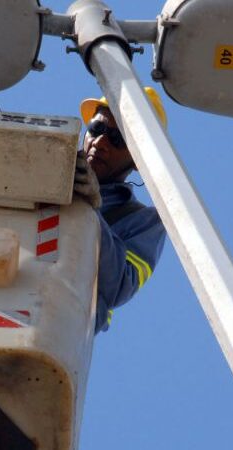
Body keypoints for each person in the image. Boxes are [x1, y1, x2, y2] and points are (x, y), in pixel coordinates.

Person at [73, 87, 168, 333]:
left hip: (63, 327)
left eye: (118, 139)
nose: (101, 142)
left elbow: (118, 286)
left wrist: (88, 207)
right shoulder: (41, 170)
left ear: (138, 160)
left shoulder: (143, 221)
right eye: (97, 129)